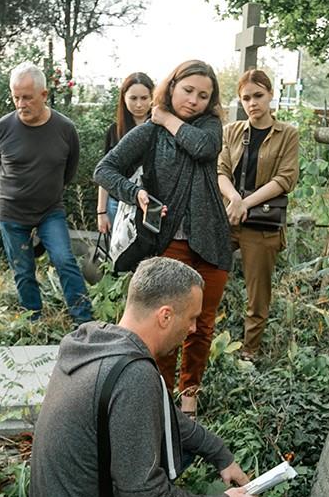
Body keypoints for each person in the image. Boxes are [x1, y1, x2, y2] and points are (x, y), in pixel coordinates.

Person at [30, 256, 260, 497]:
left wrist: (220, 455)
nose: (194, 329)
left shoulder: (98, 342)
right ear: (165, 315)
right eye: (192, 318)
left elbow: (168, 418)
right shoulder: (133, 377)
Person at [94, 60, 228, 416]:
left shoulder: (211, 126)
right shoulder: (149, 134)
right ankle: (160, 396)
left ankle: (190, 395)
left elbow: (202, 148)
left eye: (203, 95)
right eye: (187, 91)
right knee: (167, 323)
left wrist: (166, 118)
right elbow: (104, 169)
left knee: (202, 324)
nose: (194, 100)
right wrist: (133, 191)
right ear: (171, 87)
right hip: (169, 242)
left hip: (211, 239)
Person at [0, 62, 93, 325]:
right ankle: (33, 321)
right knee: (23, 270)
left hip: (50, 211)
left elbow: (69, 172)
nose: (21, 104)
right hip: (11, 212)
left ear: (44, 95)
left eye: (27, 97)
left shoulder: (65, 129)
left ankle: (84, 321)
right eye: (16, 97)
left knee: (64, 259)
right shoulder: (2, 129)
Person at [217, 70, 300, 360]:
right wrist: (235, 199)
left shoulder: (287, 133)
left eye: (258, 96)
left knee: (257, 292)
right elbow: (221, 170)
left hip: (261, 221)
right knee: (209, 276)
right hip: (229, 214)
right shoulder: (232, 131)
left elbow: (285, 178)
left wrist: (246, 203)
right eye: (246, 98)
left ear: (270, 94)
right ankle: (206, 337)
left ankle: (250, 351)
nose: (252, 103)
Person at [96, 72, 154, 233]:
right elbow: (105, 172)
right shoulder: (115, 131)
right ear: (124, 98)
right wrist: (101, 212)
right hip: (118, 202)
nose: (139, 104)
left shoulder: (161, 129)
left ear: (152, 98)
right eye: (133, 98)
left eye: (144, 98)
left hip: (151, 202)